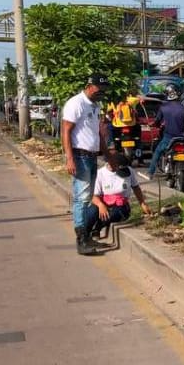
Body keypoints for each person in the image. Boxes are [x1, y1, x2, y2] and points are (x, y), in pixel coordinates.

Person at [62, 74, 111, 255]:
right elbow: (66, 131)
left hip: (91, 157)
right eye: (99, 89)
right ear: (90, 86)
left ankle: (87, 236)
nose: (101, 92)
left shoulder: (95, 106)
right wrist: (69, 158)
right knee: (81, 199)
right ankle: (81, 239)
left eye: (104, 90)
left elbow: (97, 134)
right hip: (79, 156)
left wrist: (108, 155)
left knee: (88, 197)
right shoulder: (76, 103)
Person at [79, 151, 151, 254]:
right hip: (103, 202)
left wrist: (142, 203)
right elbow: (94, 196)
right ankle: (84, 237)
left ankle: (98, 228)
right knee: (92, 211)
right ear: (110, 164)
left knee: (116, 213)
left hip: (120, 205)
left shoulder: (129, 171)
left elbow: (136, 187)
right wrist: (101, 205)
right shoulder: (100, 174)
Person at [147, 84, 184, 185]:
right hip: (182, 137)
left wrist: (153, 124)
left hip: (169, 137)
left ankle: (150, 173)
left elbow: (157, 121)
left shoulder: (163, 108)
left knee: (158, 151)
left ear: (167, 94)